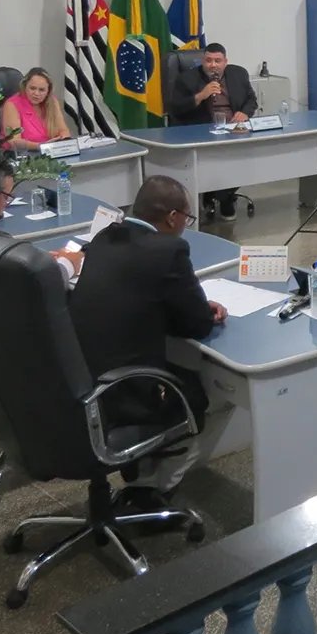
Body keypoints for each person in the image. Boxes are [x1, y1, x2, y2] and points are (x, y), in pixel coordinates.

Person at [67, 175, 226, 507]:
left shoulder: (104, 238)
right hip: (121, 393)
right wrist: (201, 309)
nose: (185, 226)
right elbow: (198, 325)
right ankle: (154, 492)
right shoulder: (169, 250)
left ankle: (141, 472)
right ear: (172, 217)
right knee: (197, 391)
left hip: (77, 382)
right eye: (186, 218)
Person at [0, 155, 83, 280]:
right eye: (6, 197)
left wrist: (37, 263)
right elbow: (37, 283)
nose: (6, 204)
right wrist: (67, 264)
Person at [170, 42, 258, 220]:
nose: (213, 65)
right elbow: (175, 108)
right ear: (203, 61)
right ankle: (224, 198)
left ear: (226, 62)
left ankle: (221, 194)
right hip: (203, 131)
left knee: (249, 157)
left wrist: (244, 113)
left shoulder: (238, 74)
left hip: (234, 129)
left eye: (217, 61)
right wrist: (200, 96)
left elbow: (252, 100)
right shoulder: (187, 79)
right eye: (208, 60)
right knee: (219, 159)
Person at [0, 67, 71, 152]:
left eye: (42, 90)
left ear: (48, 91)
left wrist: (63, 141)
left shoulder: (52, 102)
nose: (36, 93)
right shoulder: (12, 105)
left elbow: (63, 131)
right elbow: (14, 141)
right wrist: (41, 146)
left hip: (50, 152)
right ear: (25, 86)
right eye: (32, 88)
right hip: (21, 155)